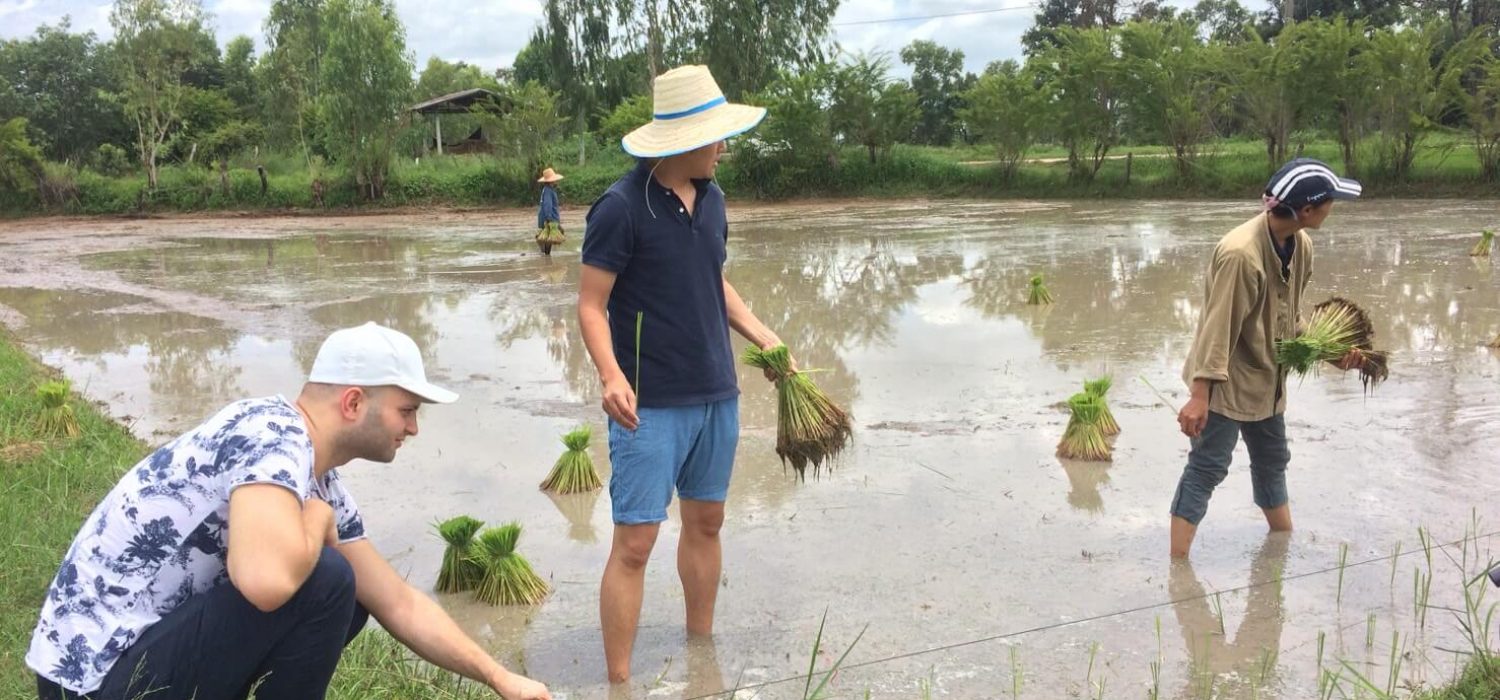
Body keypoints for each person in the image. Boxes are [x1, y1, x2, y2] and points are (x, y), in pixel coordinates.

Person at [27, 322, 551, 700]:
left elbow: (399, 602)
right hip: (93, 681)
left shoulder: (315, 474)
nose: (413, 429)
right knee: (327, 577)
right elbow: (264, 581)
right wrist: (318, 522)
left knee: (352, 593)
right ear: (352, 403)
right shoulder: (271, 436)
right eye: (407, 410)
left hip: (138, 660)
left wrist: (501, 679)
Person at [577, 64, 783, 684]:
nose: (724, 147)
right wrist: (611, 375)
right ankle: (619, 682)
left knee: (707, 522)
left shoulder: (714, 198)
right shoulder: (620, 207)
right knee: (635, 544)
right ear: (684, 139)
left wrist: (765, 338)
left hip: (717, 393)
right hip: (650, 403)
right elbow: (590, 304)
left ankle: (701, 655)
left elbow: (712, 280)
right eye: (716, 137)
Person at [1171, 158, 1363, 558]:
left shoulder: (1300, 244)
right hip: (1224, 382)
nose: (1333, 208)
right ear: (1306, 211)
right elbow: (1216, 326)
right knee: (1208, 469)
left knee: (1273, 461)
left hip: (1266, 380)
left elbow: (1288, 319)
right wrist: (1199, 395)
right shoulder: (1242, 255)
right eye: (1330, 202)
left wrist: (1330, 353)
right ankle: (1178, 568)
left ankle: (1281, 548)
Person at [536, 168, 565, 256]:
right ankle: (546, 255)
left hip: (545, 216)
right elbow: (547, 205)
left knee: (546, 238)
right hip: (549, 217)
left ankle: (544, 256)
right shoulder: (548, 191)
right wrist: (549, 219)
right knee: (548, 239)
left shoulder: (547, 189)